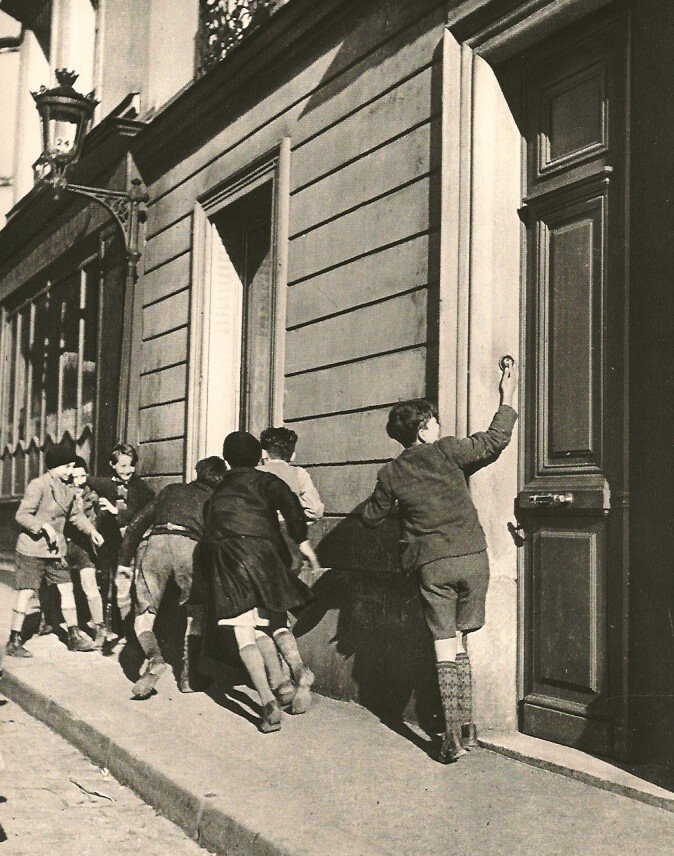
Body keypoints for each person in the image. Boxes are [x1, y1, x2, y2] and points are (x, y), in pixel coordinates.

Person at [361, 361, 518, 763]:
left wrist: (403, 513)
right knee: (464, 641)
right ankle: (469, 727)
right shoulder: (448, 451)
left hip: (432, 564)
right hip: (471, 556)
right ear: (423, 428)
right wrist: (507, 397)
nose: (436, 424)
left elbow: (372, 517)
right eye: (432, 420)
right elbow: (494, 441)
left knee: (443, 645)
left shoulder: (391, 472)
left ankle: (451, 735)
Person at [201, 431, 315, 733]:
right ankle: (299, 671)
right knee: (273, 618)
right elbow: (292, 507)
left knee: (244, 633)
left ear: (226, 459)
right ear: (258, 456)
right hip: (266, 557)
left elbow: (209, 526)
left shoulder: (218, 490)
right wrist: (302, 542)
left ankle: (267, 701)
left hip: (230, 561)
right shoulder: (267, 481)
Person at [115, 456, 229, 700]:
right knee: (195, 612)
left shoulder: (171, 490)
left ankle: (154, 658)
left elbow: (136, 524)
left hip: (155, 544)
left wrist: (123, 563)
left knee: (144, 614)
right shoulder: (217, 500)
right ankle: (189, 677)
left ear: (197, 473)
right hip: (191, 547)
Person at [5, 441, 105, 657]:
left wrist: (91, 531)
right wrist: (43, 527)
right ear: (55, 467)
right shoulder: (38, 485)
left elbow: (75, 516)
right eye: (67, 466)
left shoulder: (67, 490)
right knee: (26, 592)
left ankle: (73, 636)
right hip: (32, 549)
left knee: (66, 587)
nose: (71, 470)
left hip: (53, 551)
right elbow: (22, 515)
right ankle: (14, 640)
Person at [258, 426, 323, 712]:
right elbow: (316, 509)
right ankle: (297, 671)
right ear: (292, 453)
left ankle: (283, 681)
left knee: (261, 620)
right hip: (291, 548)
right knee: (278, 616)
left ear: (263, 453)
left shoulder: (256, 474)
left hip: (263, 545)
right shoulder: (299, 474)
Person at [89, 443, 155, 649]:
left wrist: (114, 511)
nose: (128, 470)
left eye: (131, 465)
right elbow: (90, 480)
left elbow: (138, 515)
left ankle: (129, 631)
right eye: (123, 466)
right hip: (111, 545)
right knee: (108, 585)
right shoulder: (108, 484)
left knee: (127, 588)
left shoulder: (141, 489)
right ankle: (107, 628)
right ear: (112, 465)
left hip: (132, 546)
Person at [65, 456, 106, 648]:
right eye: (76, 475)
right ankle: (49, 620)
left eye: (83, 475)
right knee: (59, 586)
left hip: (84, 545)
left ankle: (99, 627)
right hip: (65, 544)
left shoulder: (93, 495)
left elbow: (97, 520)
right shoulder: (63, 493)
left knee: (89, 584)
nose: (80, 479)